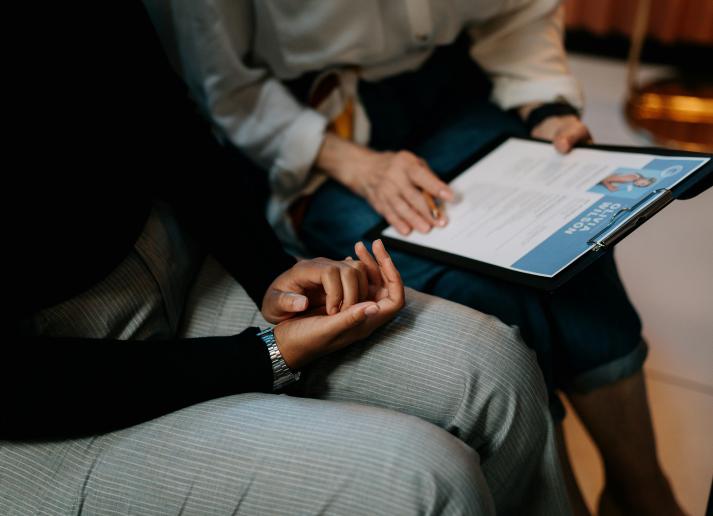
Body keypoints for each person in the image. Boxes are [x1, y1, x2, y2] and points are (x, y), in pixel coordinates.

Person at [2, 3, 571, 514]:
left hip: (177, 262)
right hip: (42, 396)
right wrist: (264, 356)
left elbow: (164, 116)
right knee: (428, 482)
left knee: (498, 369)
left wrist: (271, 271)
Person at [146, 1, 686, 514]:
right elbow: (226, 86)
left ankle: (642, 491)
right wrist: (352, 162)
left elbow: (518, 14)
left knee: (575, 251)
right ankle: (561, 497)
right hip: (312, 121)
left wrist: (546, 108)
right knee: (480, 295)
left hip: (448, 85)